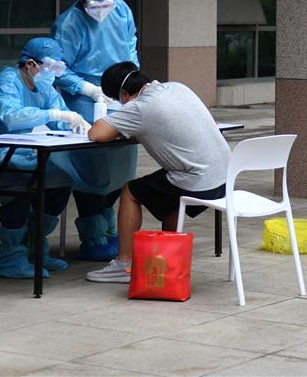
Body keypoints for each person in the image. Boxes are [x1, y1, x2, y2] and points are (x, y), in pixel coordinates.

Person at [0, 38, 89, 278]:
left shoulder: (44, 87)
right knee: (18, 186)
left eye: (58, 68)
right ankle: (9, 257)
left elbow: (60, 118)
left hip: (9, 154)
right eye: (49, 67)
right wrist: (56, 113)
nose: (53, 74)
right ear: (31, 64)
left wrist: (80, 123)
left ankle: (34, 247)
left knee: (60, 181)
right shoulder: (7, 81)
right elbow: (11, 116)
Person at [84, 62, 229, 283]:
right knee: (166, 188)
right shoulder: (177, 87)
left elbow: (96, 134)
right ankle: (168, 256)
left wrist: (123, 124)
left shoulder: (140, 107)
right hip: (224, 176)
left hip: (197, 181)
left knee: (131, 190)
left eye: (117, 100)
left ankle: (125, 264)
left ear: (124, 93)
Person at [50, 0, 139, 261]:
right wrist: (88, 89)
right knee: (89, 170)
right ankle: (92, 235)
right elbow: (58, 69)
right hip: (84, 102)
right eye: (94, 4)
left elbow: (129, 44)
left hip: (121, 94)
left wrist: (131, 78)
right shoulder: (68, 24)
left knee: (121, 166)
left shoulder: (121, 8)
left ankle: (110, 228)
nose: (101, 10)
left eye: (106, 3)